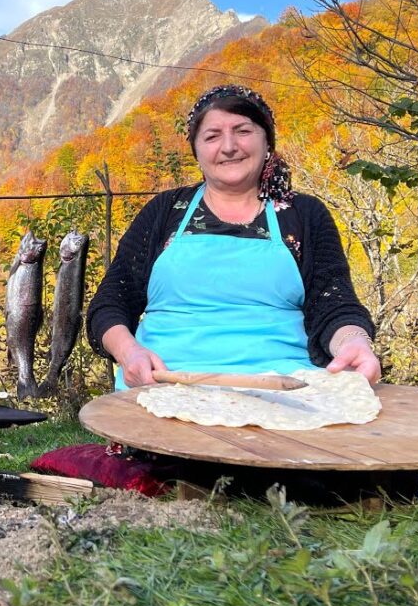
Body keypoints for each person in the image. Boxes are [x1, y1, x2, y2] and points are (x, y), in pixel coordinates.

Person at [87, 84, 381, 389]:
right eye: (212, 136)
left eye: (243, 131)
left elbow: (334, 304)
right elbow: (110, 303)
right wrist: (129, 353)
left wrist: (353, 342)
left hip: (285, 390)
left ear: (267, 141)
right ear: (196, 150)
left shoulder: (304, 215)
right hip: (163, 384)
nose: (229, 147)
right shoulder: (165, 211)